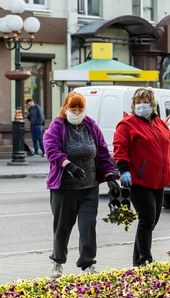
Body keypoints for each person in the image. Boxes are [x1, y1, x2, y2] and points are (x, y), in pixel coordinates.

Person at [43, 92, 120, 278]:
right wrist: (68, 165)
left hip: (89, 188)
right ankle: (57, 262)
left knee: (88, 227)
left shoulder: (91, 126)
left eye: (80, 109)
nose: (76, 112)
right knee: (62, 227)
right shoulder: (57, 126)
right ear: (65, 108)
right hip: (64, 188)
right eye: (73, 109)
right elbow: (51, 149)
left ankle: (87, 263)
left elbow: (102, 153)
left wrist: (110, 176)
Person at [112, 87, 170, 267]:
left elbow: (169, 150)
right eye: (138, 102)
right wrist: (124, 170)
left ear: (153, 105)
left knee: (152, 220)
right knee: (147, 218)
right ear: (133, 104)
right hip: (139, 181)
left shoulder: (161, 124)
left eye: (146, 102)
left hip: (159, 181)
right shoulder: (126, 124)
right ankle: (145, 258)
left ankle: (138, 260)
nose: (142, 105)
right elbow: (120, 148)